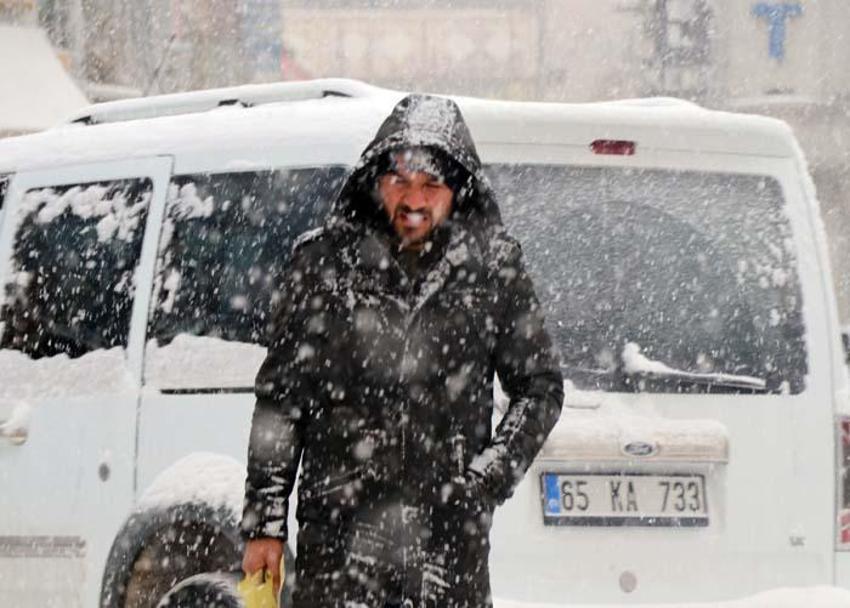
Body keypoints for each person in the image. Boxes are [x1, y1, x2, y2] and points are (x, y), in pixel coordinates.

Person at [241, 94, 564, 608]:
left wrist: (484, 481)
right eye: (400, 181)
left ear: (457, 192)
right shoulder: (324, 263)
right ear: (376, 183)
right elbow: (281, 403)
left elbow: (540, 389)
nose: (414, 200)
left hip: (447, 550)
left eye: (431, 184)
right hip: (340, 541)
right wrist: (265, 523)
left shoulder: (493, 267)